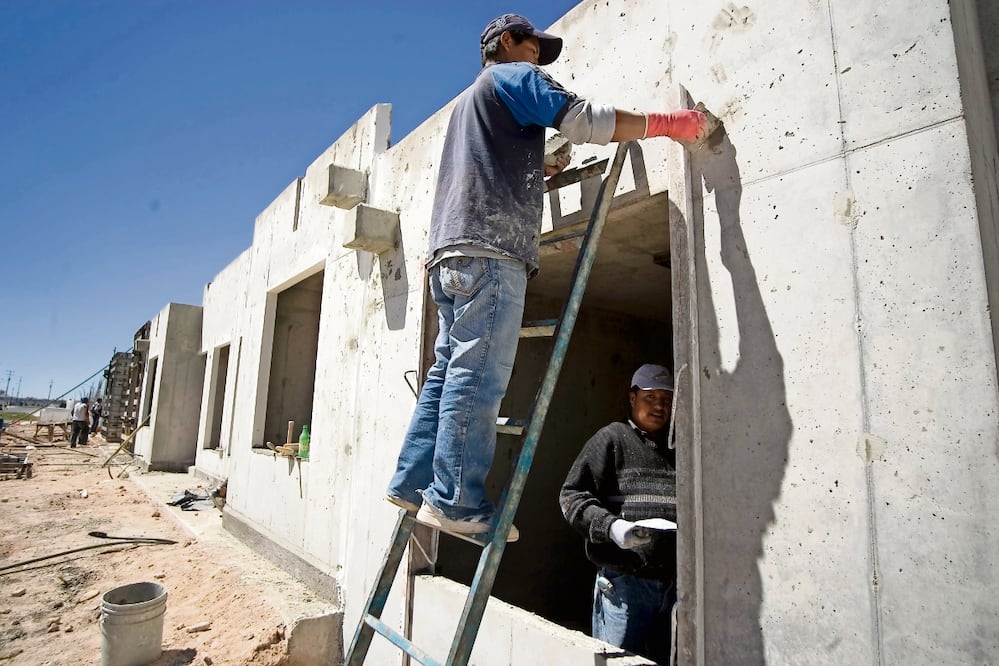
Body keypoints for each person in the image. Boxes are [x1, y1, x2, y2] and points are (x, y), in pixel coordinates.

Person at [386, 13, 706, 540]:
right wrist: (666, 125)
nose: (539, 56)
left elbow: (494, 164)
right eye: (535, 46)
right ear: (506, 42)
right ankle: (456, 503)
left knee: (446, 373)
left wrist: (540, 165)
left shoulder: (471, 104)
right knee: (477, 378)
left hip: (450, 254)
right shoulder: (513, 77)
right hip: (490, 252)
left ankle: (411, 480)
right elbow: (583, 119)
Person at [559, 364, 678, 664]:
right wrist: (612, 528)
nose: (659, 406)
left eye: (666, 398)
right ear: (632, 398)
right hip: (624, 584)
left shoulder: (680, 448)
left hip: (674, 585)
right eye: (650, 397)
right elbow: (571, 496)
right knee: (618, 661)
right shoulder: (612, 438)